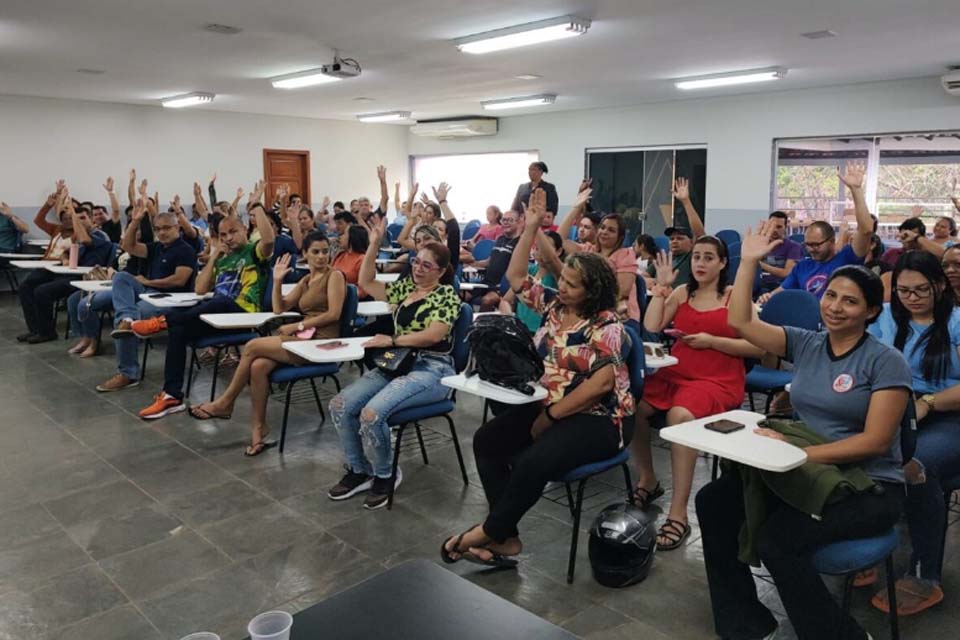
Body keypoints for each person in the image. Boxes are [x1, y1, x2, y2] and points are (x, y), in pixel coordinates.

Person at [697, 220, 911, 640]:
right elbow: (741, 321)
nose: (835, 307)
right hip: (807, 473)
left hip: (868, 486)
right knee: (713, 502)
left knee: (777, 541)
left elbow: (876, 442)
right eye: (830, 295)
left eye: (850, 301)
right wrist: (748, 262)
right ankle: (744, 622)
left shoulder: (886, 361)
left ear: (871, 312)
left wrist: (799, 454)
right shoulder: (807, 343)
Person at [441, 189, 633, 566]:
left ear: (592, 291)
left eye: (572, 284)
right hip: (550, 404)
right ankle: (506, 537)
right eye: (563, 280)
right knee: (486, 441)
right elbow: (515, 277)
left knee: (531, 461)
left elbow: (602, 385)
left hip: (602, 418)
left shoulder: (607, 325)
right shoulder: (555, 308)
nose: (562, 287)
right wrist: (530, 228)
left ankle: (488, 532)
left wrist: (550, 417)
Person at [633, 236, 762, 550]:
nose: (700, 263)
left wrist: (712, 341)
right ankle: (648, 479)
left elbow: (759, 346)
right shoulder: (682, 292)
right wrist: (661, 288)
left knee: (680, 416)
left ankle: (678, 513)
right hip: (677, 371)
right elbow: (651, 325)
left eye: (708, 257)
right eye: (696, 257)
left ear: (722, 263)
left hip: (718, 379)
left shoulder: (735, 296)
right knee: (632, 403)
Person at [327, 218, 461, 510]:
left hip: (433, 368)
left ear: (440, 271)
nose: (418, 268)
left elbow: (434, 335)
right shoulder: (407, 289)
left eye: (426, 265)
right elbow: (366, 283)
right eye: (416, 261)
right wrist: (374, 245)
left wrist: (392, 340)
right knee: (339, 406)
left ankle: (385, 475)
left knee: (372, 414)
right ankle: (359, 469)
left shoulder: (447, 295)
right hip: (398, 363)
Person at [189, 235, 346, 455]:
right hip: (304, 339)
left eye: (325, 251)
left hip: (321, 342)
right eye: (315, 252)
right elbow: (279, 308)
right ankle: (259, 430)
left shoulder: (334, 276)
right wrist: (278, 280)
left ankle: (225, 403)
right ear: (305, 255)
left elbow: (334, 314)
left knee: (252, 346)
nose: (321, 256)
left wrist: (298, 325)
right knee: (258, 366)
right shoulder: (306, 280)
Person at [866, 251, 960, 616]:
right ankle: (862, 546)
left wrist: (929, 403)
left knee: (913, 465)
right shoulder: (886, 318)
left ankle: (925, 575)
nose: (912, 298)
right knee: (853, 448)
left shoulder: (955, 322)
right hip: (896, 407)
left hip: (948, 413)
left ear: (939, 285)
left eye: (921, 289)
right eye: (903, 291)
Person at [131, 206, 275, 419]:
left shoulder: (254, 252)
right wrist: (215, 256)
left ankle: (162, 321)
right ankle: (172, 396)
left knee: (221, 301)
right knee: (178, 330)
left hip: (244, 316)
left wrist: (257, 208)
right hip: (216, 317)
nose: (228, 238)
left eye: (233, 232)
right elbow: (200, 289)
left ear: (245, 229)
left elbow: (269, 240)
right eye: (223, 234)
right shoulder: (223, 259)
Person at [94, 205, 197, 391]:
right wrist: (135, 222)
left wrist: (149, 281)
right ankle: (127, 318)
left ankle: (128, 373)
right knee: (121, 277)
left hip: (171, 299)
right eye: (158, 229)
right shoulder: (156, 247)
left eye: (166, 228)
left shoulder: (185, 250)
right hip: (149, 292)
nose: (162, 233)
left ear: (177, 228)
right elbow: (128, 246)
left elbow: (179, 280)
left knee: (133, 316)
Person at [760, 165, 874, 302]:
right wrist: (768, 297)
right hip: (808, 314)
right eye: (808, 245)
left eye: (816, 245)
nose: (811, 249)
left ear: (831, 241)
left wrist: (856, 190)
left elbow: (866, 230)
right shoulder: (802, 267)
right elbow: (781, 292)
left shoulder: (847, 259)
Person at [18, 193, 113, 344]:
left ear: (92, 219)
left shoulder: (99, 235)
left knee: (42, 291)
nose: (77, 222)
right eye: (76, 219)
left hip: (85, 278)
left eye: (82, 218)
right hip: (68, 273)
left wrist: (73, 216)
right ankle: (35, 329)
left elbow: (85, 240)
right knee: (26, 286)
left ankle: (47, 332)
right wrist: (64, 258)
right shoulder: (75, 234)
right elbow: (66, 252)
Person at [499, 229, 565, 332]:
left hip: (540, 332)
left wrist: (534, 227)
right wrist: (510, 318)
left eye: (544, 248)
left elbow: (551, 259)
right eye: (537, 248)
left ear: (559, 251)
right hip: (520, 330)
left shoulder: (559, 276)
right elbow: (505, 300)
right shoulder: (529, 270)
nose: (540, 252)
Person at [646, 178, 706, 288]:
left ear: (691, 242)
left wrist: (686, 201)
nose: (674, 241)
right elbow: (643, 276)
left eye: (680, 238)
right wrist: (656, 281)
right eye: (672, 239)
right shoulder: (665, 258)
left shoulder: (692, 257)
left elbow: (700, 234)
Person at [757, 211, 804, 293]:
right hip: (759, 285)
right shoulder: (760, 244)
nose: (775, 230)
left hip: (780, 287)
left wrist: (760, 265)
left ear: (785, 228)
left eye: (779, 227)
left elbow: (787, 273)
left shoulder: (794, 247)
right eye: (772, 226)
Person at [880, 217, 947, 266]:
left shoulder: (929, 254)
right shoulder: (891, 253)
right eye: (904, 235)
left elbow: (945, 255)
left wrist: (916, 237)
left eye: (911, 236)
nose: (908, 240)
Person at [332, 225, 369, 297]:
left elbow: (363, 291)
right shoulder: (340, 255)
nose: (340, 237)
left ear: (352, 238)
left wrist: (342, 293)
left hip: (351, 299)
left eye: (344, 234)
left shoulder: (362, 260)